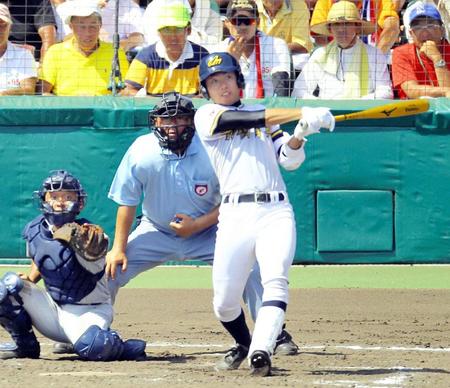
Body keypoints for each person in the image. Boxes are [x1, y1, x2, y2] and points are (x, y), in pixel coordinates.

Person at [106, 91, 299, 357]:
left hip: (210, 231)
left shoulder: (213, 146)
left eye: (181, 119)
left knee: (252, 272)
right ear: (156, 123)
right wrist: (118, 248)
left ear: (192, 121)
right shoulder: (141, 149)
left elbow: (233, 197)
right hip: (156, 231)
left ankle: (275, 335)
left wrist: (197, 225)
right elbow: (126, 201)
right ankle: (93, 328)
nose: (173, 126)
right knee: (110, 270)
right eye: (166, 120)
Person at [195, 52, 335, 376]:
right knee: (224, 302)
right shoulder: (207, 116)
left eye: (227, 78)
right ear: (207, 89)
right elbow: (241, 121)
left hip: (275, 211)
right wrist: (301, 111)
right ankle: (245, 343)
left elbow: (289, 160)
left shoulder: (265, 120)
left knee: (275, 281)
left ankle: (261, 351)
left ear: (238, 80)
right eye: (214, 82)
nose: (222, 85)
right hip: (234, 215)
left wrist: (301, 132)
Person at [0, 170, 146, 361]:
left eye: (68, 196)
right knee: (7, 287)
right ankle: (25, 346)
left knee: (94, 346)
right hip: (53, 310)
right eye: (54, 196)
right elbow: (40, 257)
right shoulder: (35, 230)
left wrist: (93, 250)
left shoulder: (90, 236)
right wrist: (31, 278)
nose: (60, 201)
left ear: (79, 202)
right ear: (43, 200)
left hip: (90, 311)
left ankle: (121, 347)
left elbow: (94, 265)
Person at [292, 0, 393, 99]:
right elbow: (298, 91)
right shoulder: (319, 55)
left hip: (362, 113)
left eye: (347, 23)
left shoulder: (374, 54)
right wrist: (320, 105)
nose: (341, 29)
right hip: (326, 112)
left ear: (357, 27)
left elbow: (386, 91)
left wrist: (360, 103)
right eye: (336, 24)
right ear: (329, 29)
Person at [40, 0, 129, 96]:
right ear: (71, 26)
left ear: (100, 26)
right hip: (66, 108)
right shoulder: (55, 52)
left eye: (93, 26)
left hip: (103, 108)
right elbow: (43, 92)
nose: (88, 33)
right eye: (81, 27)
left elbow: (125, 90)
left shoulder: (115, 52)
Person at [122, 2, 208, 96]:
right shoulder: (145, 57)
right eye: (167, 30)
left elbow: (210, 92)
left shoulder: (202, 56)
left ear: (189, 30)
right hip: (153, 110)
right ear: (158, 32)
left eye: (178, 29)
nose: (173, 36)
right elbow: (128, 91)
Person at [220, 0, 292, 98]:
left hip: (266, 109)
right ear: (227, 23)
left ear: (257, 22)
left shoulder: (276, 45)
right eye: (236, 21)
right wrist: (228, 62)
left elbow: (281, 90)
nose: (242, 26)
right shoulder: (218, 49)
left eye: (247, 21)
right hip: (231, 109)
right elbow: (216, 91)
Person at [392, 1, 450, 98]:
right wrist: (445, 92)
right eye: (418, 27)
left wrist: (437, 59)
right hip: (414, 110)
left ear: (442, 30)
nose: (425, 32)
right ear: (411, 33)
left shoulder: (447, 49)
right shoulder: (401, 53)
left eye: (431, 26)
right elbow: (411, 90)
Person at [310, 0, 400, 54]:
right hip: (336, 57)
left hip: (372, 54)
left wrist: (376, 56)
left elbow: (392, 27)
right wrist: (344, 56)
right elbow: (320, 36)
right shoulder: (326, 1)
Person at [143, 0, 223, 52]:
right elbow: (157, 45)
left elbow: (216, 42)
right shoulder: (155, 7)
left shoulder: (208, 6)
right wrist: (201, 38)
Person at [0, 4, 37, 95]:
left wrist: (3, 94)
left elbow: (28, 90)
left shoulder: (24, 55)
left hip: (10, 108)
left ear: (10, 28)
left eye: (2, 25)